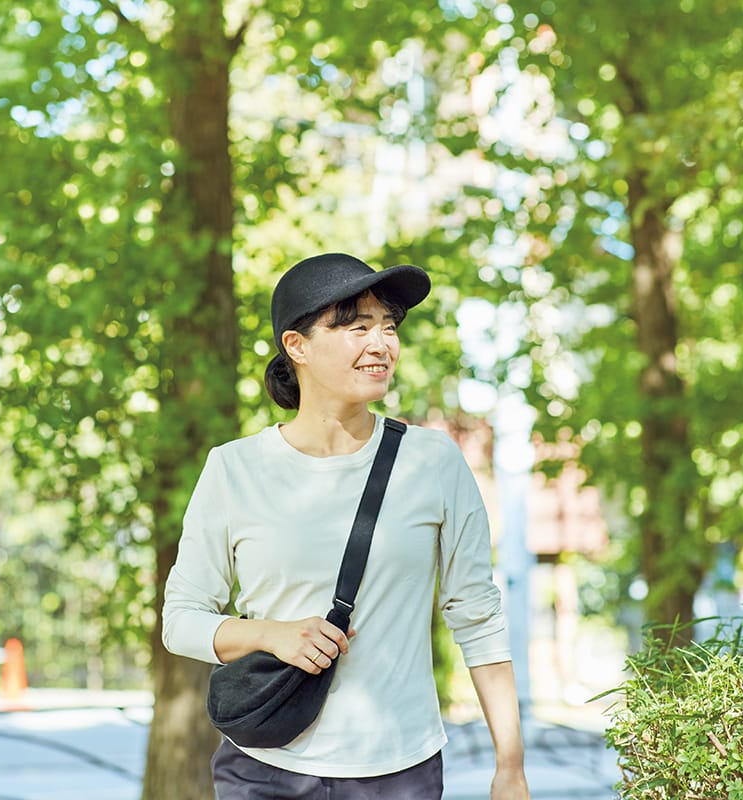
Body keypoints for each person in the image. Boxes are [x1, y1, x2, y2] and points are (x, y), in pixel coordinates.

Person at [161, 252, 530, 799]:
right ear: (297, 346)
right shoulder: (235, 468)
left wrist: (510, 765)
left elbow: (477, 615)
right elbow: (181, 621)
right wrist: (272, 635)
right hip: (265, 767)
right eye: (357, 327)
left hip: (400, 769)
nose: (381, 344)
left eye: (388, 326)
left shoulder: (433, 462)